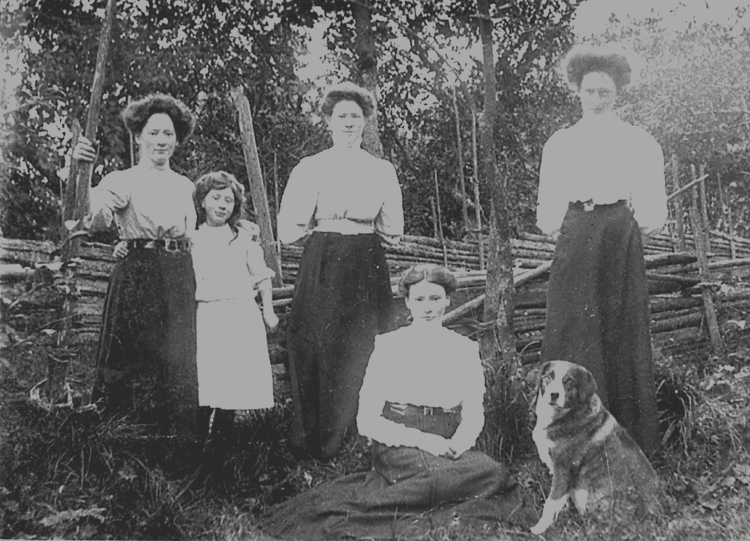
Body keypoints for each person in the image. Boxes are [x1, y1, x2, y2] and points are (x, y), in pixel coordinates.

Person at [261, 265, 537, 540]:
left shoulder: (464, 348)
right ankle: (425, 509)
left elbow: (474, 411)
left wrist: (459, 443)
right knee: (438, 476)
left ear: (448, 300)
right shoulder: (389, 346)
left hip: (447, 438)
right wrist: (427, 442)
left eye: (435, 298)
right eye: (419, 299)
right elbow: (367, 420)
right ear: (407, 302)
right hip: (398, 441)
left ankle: (422, 502)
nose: (428, 308)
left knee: (492, 472)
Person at [536, 44, 667, 457]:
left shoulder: (638, 142)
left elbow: (651, 210)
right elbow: (549, 210)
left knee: (619, 329)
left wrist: (619, 229)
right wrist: (573, 229)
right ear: (577, 91)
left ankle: (625, 439)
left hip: (618, 237)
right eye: (589, 91)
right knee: (574, 328)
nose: (596, 99)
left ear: (617, 92)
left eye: (604, 91)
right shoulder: (560, 143)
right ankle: (571, 441)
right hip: (576, 234)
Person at [277, 81, 404, 459]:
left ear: (365, 122)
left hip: (366, 260)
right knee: (319, 342)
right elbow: (290, 229)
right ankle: (317, 439)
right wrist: (327, 236)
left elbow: (392, 229)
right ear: (328, 121)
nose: (349, 123)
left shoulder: (381, 170)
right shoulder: (312, 167)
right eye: (341, 116)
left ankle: (359, 437)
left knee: (365, 341)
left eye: (356, 116)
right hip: (324, 259)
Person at [112, 171, 280, 444]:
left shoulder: (243, 239)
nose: (222, 205)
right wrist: (123, 246)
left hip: (239, 316)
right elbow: (159, 251)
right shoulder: (191, 239)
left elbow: (262, 278)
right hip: (205, 317)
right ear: (201, 201)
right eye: (216, 198)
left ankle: (221, 450)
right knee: (205, 381)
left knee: (231, 384)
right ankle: (196, 447)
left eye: (228, 200)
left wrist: (269, 311)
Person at [72, 93, 199, 438]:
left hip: (179, 275)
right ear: (139, 136)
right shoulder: (123, 180)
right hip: (138, 274)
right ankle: (123, 438)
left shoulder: (187, 187)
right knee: (130, 354)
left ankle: (175, 441)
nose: (161, 140)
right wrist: (82, 173)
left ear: (177, 140)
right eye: (153, 133)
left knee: (176, 356)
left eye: (168, 134)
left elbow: (202, 233)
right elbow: (94, 217)